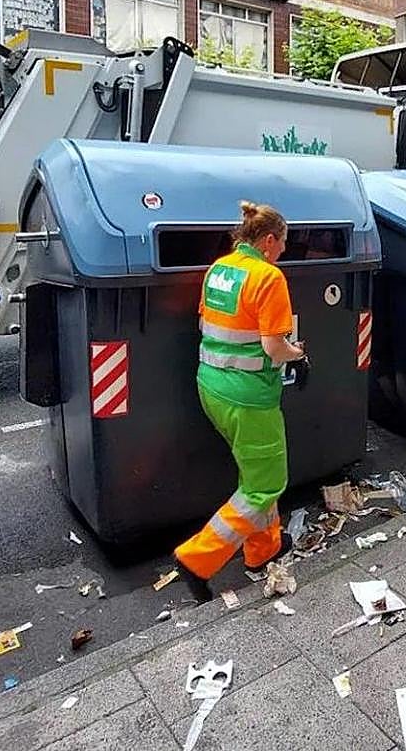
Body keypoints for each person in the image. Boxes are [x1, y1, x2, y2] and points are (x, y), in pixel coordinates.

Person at [174, 201, 305, 602]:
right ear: (268, 240)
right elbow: (272, 346)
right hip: (249, 397)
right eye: (282, 243)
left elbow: (210, 325)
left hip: (211, 386)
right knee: (266, 484)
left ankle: (264, 550)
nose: (283, 251)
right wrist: (298, 352)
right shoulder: (268, 277)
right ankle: (197, 559)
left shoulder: (220, 269)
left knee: (256, 475)